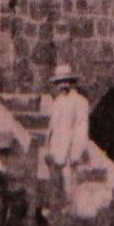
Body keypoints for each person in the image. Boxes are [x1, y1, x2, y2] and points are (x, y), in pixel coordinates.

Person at [40, 63, 92, 215]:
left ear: (71, 82)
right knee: (55, 186)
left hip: (70, 151)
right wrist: (47, 147)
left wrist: (76, 152)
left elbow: (81, 128)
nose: (62, 85)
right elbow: (52, 127)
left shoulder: (80, 102)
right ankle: (56, 215)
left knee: (70, 184)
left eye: (65, 81)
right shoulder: (57, 102)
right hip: (56, 150)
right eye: (59, 82)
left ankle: (71, 216)